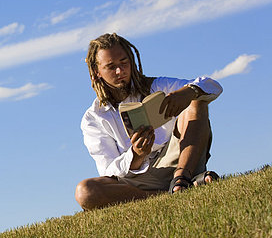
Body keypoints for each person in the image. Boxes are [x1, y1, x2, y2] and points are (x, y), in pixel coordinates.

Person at [75, 33, 223, 210]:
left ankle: (181, 180)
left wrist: (189, 91)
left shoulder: (156, 86)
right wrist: (136, 155)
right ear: (97, 72)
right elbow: (108, 171)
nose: (120, 71)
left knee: (197, 101)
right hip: (137, 183)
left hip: (179, 162)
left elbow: (212, 85)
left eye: (124, 63)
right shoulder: (93, 118)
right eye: (111, 67)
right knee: (85, 191)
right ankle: (170, 192)